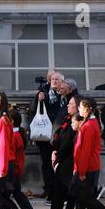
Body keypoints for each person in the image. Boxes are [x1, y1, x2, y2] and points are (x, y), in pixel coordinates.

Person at [41, 95, 81, 209]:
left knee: (66, 194)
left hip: (68, 161)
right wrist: (55, 150)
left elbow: (69, 142)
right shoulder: (67, 119)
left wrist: (57, 155)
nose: (68, 106)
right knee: (62, 194)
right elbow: (60, 138)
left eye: (71, 104)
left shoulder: (76, 121)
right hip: (63, 158)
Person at [30, 71, 64, 202]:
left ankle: (58, 189)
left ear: (62, 82)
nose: (54, 81)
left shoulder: (64, 94)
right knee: (46, 162)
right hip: (44, 134)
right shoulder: (42, 93)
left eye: (57, 79)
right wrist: (39, 100)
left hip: (59, 134)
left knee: (59, 163)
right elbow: (33, 110)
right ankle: (49, 188)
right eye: (52, 79)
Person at [6, 109, 41, 209]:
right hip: (16, 169)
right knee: (17, 195)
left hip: (13, 169)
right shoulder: (16, 134)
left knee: (7, 197)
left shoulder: (15, 136)